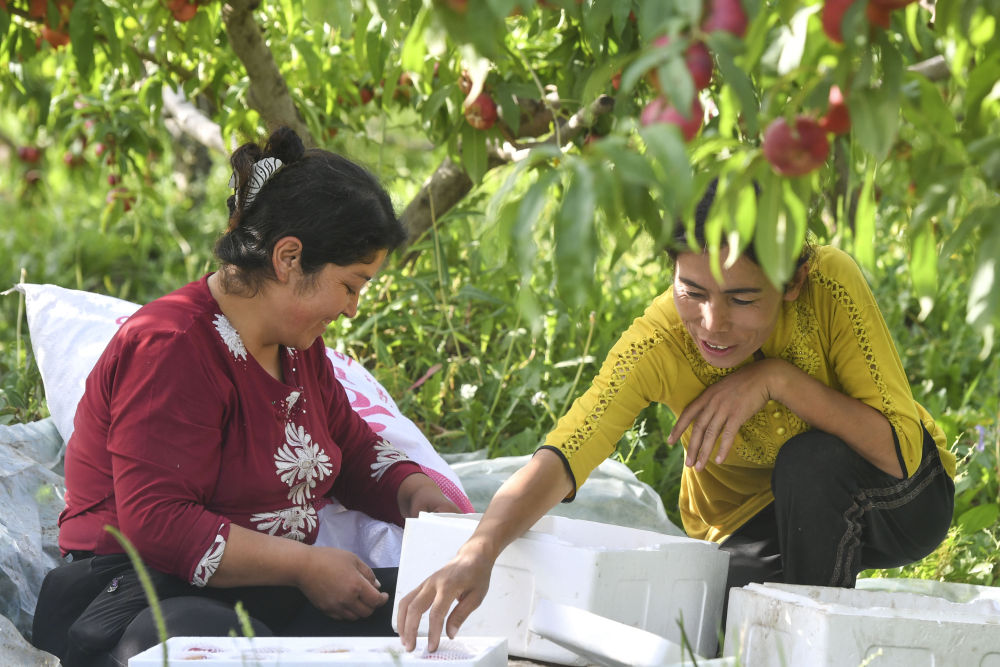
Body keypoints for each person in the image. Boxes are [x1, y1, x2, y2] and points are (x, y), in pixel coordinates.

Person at [396, 180, 956, 653]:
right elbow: (567, 452)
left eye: (741, 299)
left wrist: (776, 381)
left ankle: (817, 655)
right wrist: (478, 552)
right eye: (692, 291)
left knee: (808, 461)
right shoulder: (658, 342)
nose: (712, 324)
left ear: (793, 281)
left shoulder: (830, 283)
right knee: (713, 635)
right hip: (756, 524)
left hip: (900, 497)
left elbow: (897, 453)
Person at [31, 126, 460, 667]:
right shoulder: (172, 347)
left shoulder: (299, 348)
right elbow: (158, 521)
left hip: (257, 592)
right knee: (221, 641)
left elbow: (350, 448)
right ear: (288, 258)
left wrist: (414, 494)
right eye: (351, 285)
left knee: (425, 607)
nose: (352, 308)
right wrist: (305, 567)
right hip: (134, 599)